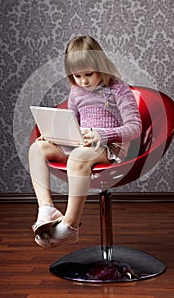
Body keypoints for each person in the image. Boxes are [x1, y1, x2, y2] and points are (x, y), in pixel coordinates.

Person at [29, 35, 142, 248]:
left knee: (79, 158)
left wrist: (104, 135)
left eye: (88, 74)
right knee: (37, 149)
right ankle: (46, 209)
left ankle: (70, 226)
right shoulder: (76, 91)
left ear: (101, 65)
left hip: (108, 146)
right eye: (77, 76)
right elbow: (71, 122)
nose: (83, 81)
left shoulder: (118, 89)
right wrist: (56, 135)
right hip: (80, 143)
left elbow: (135, 128)